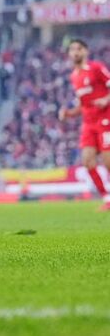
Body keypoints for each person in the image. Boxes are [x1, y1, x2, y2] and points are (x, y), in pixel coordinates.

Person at [58, 39, 110, 210]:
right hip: (88, 124)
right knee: (87, 162)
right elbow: (82, 104)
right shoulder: (74, 76)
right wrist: (68, 113)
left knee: (108, 161)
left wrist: (106, 99)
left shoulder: (96, 68)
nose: (75, 52)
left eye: (78, 49)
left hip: (105, 119)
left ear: (86, 51)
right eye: (72, 50)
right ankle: (107, 198)